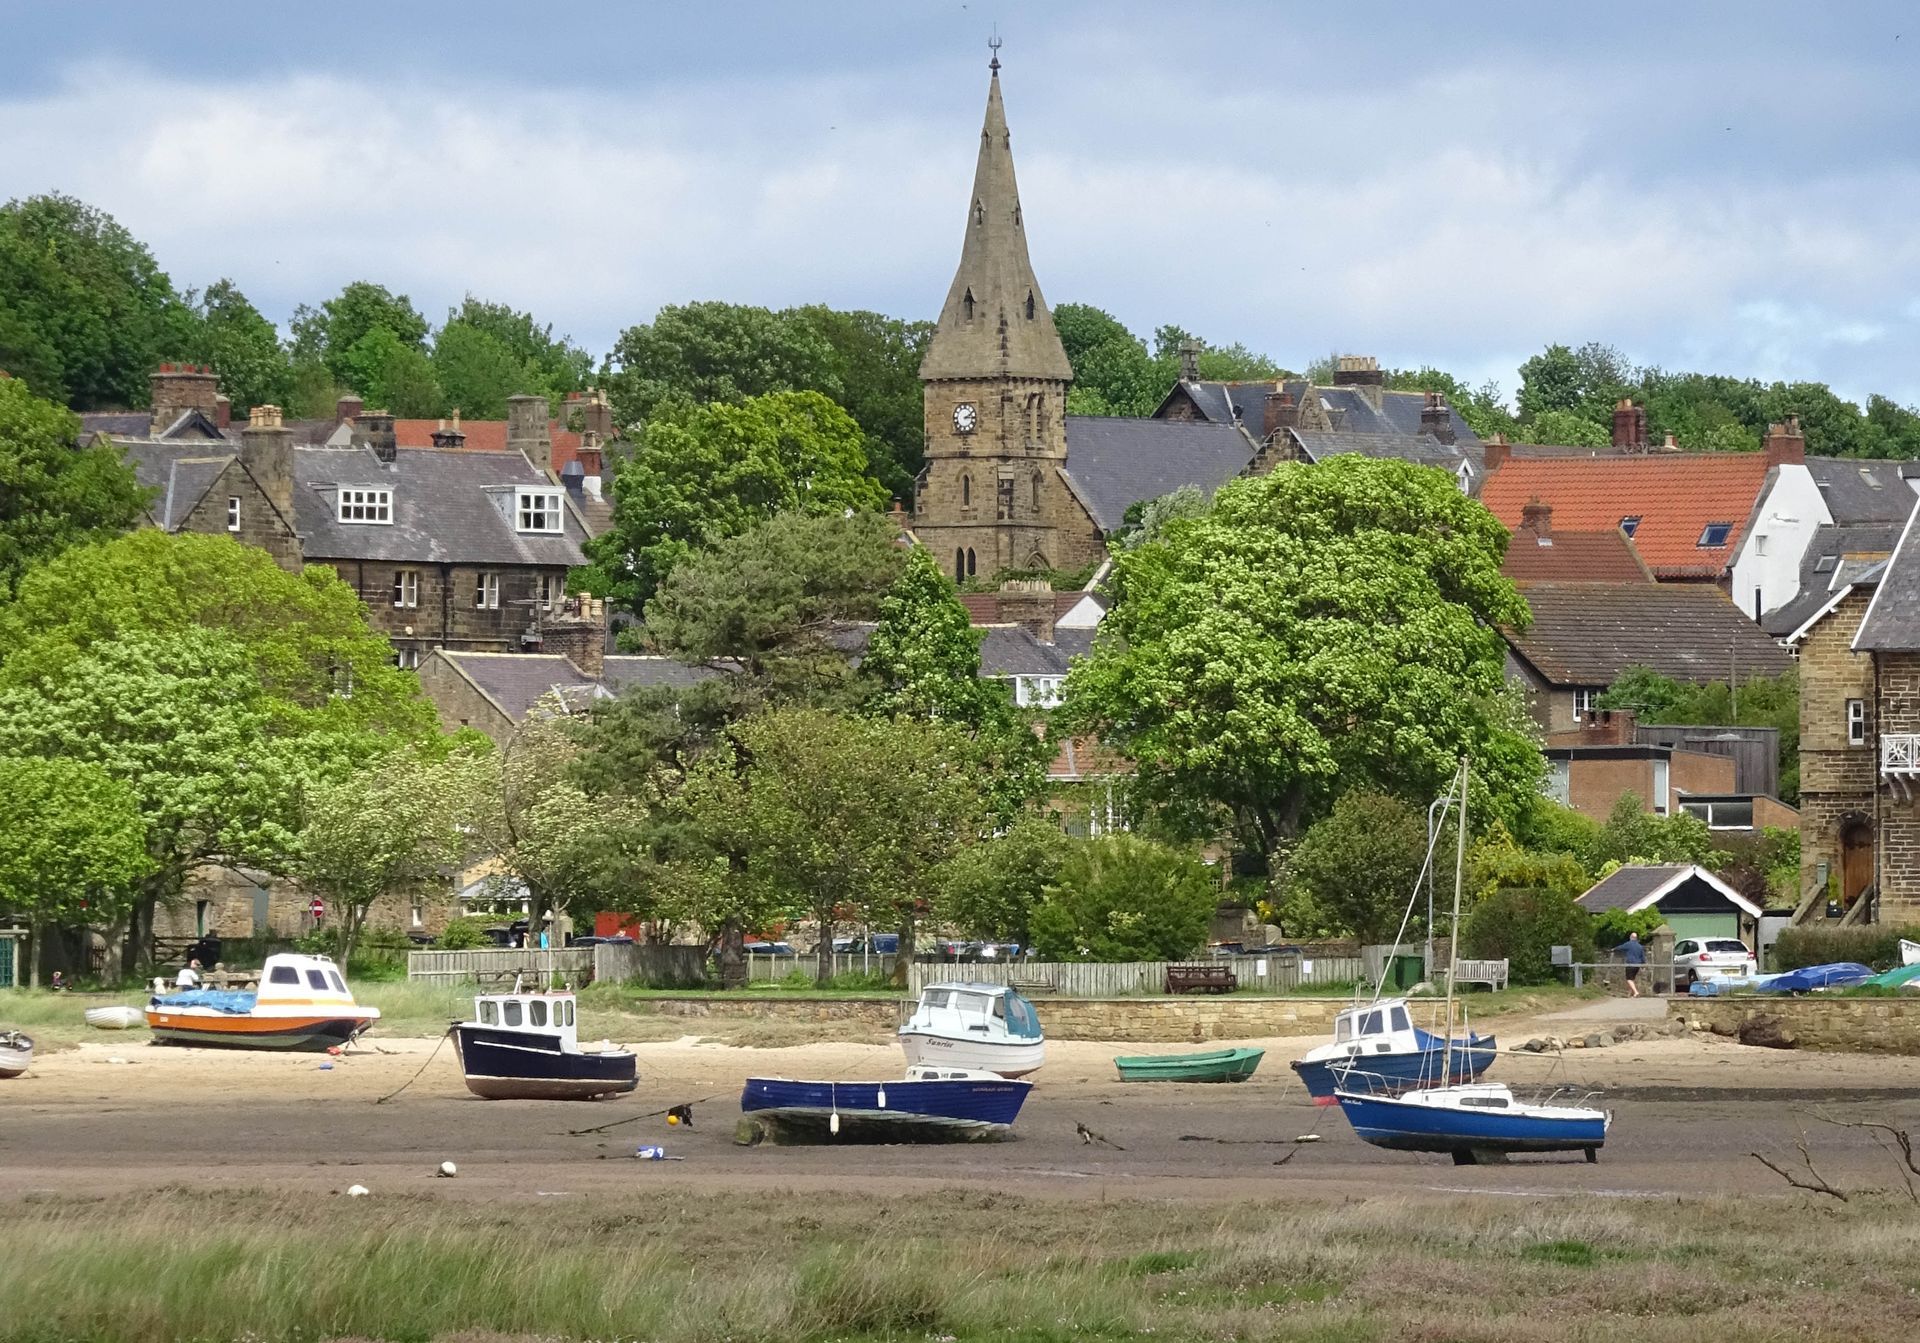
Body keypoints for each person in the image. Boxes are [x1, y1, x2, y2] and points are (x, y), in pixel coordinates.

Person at [1618, 932, 1647, 998]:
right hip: (1638, 965)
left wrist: (1613, 949)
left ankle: (1636, 992)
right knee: (1632, 979)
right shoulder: (1640, 946)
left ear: (1631, 937)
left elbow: (1621, 947)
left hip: (1630, 964)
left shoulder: (1629, 944)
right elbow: (1642, 956)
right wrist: (1643, 964)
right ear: (1636, 938)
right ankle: (1630, 994)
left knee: (1629, 979)